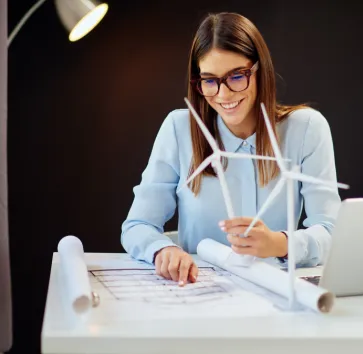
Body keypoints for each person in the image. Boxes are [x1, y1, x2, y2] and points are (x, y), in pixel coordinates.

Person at [120, 12, 342, 286]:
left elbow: (332, 232)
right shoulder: (179, 129)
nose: (223, 95)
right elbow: (136, 226)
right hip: (197, 291)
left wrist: (279, 243)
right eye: (210, 81)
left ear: (261, 70)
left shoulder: (306, 128)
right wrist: (162, 250)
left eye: (237, 76)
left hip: (277, 290)